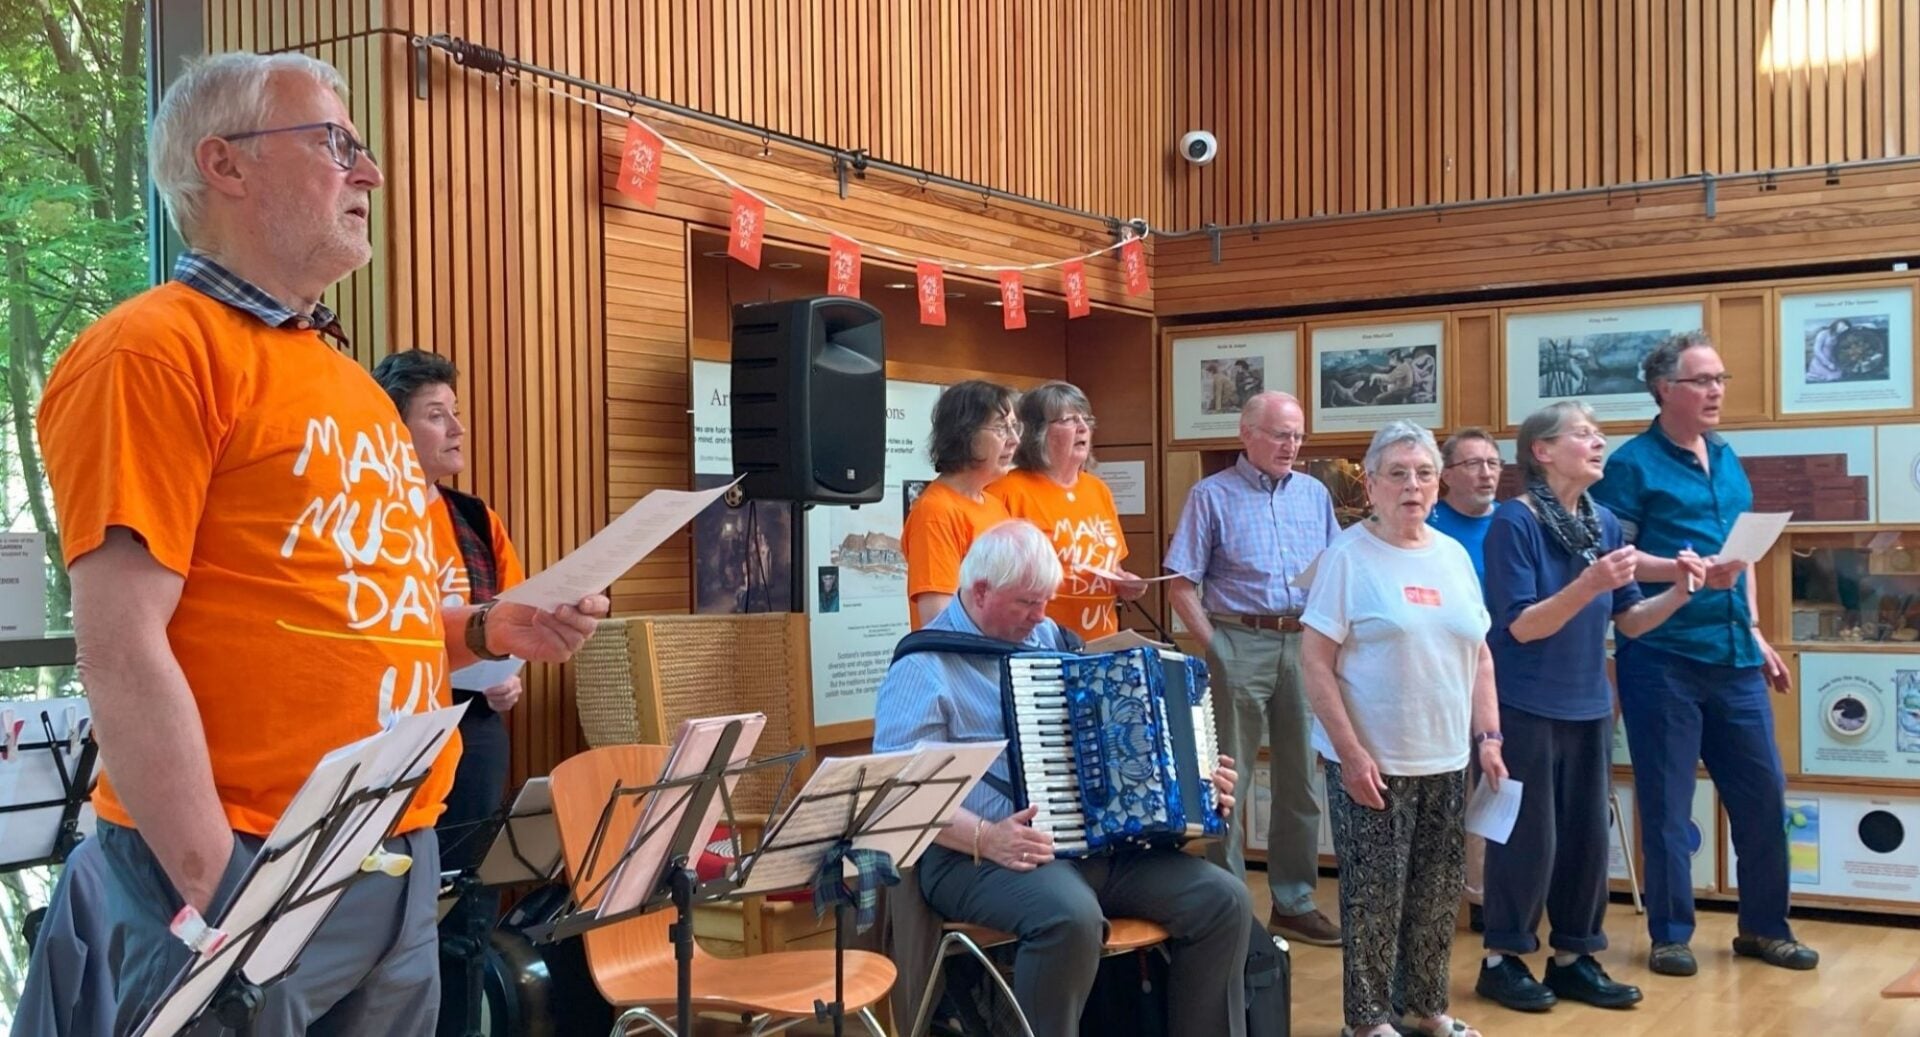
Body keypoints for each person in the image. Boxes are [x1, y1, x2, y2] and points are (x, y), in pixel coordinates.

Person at [22, 52, 608, 1035]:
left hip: (391, 841)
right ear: (226, 164)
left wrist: (493, 622)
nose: (368, 173)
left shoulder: (345, 385)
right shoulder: (151, 349)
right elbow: (121, 643)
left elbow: (358, 621)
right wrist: (224, 894)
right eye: (336, 143)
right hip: (246, 853)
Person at [874, 519, 1251, 1037]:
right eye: (1028, 603)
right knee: (1069, 919)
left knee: (1223, 901)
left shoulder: (1053, 641)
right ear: (980, 591)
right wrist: (988, 837)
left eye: (1045, 601)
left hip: (1087, 846)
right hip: (973, 855)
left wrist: (1196, 785)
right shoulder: (923, 665)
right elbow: (900, 791)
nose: (1040, 616)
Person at [1591, 332, 1819, 976]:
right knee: (1665, 802)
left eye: (1720, 379)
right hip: (1662, 656)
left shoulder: (1727, 457)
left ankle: (1765, 929)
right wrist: (1683, 572)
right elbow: (1619, 559)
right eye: (1703, 380)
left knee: (1763, 797)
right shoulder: (1632, 464)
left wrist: (1755, 630)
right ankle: (1669, 934)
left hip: (1734, 657)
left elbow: (1739, 557)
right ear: (1666, 389)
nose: (1717, 390)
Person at [1475, 401, 1705, 1014]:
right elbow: (1520, 627)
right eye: (1584, 433)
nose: (1599, 441)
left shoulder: (1603, 522)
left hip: (1588, 706)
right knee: (1527, 840)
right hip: (1524, 704)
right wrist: (1589, 585)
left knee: (1585, 841)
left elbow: (1630, 617)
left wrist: (1681, 591)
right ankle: (1503, 959)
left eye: (1599, 432)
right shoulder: (1512, 523)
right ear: (1542, 452)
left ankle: (1574, 956)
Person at [1299, 420, 1502, 1037]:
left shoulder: (1454, 555)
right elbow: (1315, 662)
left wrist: (1489, 738)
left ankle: (1423, 1008)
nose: (1412, 486)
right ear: (1372, 484)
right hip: (1372, 759)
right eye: (1397, 474)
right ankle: (1365, 1022)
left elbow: (1481, 655)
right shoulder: (1348, 557)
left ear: (1438, 484)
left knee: (1438, 892)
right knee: (1374, 896)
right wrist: (1350, 752)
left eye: (1423, 474)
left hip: (1445, 755)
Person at [1165, 391, 1341, 947]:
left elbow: (1338, 571)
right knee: (1227, 780)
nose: (1291, 445)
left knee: (1299, 782)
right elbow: (1180, 583)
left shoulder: (1315, 495)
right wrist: (1216, 646)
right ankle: (1229, 902)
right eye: (1280, 434)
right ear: (1247, 434)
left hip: (1303, 644)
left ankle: (1293, 901)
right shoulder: (1210, 495)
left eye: (1297, 435)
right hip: (1238, 640)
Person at [988, 381, 1147, 641]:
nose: (1083, 428)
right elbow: (995, 580)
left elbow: (1111, 565)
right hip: (1040, 645)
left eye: (1086, 419)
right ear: (1037, 432)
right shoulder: (1006, 492)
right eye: (1069, 420)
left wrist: (1123, 581)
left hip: (1101, 643)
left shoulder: (1098, 490)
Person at [1428, 427, 1502, 932]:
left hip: (1506, 674)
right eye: (1473, 464)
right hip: (1440, 675)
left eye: (1493, 463)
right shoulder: (1430, 528)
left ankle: (1500, 890)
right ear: (1447, 476)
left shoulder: (1516, 525)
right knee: (1458, 789)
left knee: (1496, 782)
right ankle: (1471, 896)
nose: (1485, 473)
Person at [902, 380, 1021, 629]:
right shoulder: (936, 511)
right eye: (1001, 428)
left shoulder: (994, 505)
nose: (1014, 440)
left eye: (1014, 427)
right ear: (965, 435)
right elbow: (938, 619)